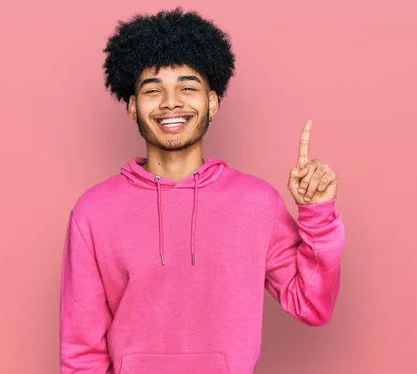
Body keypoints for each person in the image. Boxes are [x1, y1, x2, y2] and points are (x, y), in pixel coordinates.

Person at [60, 7, 345, 374]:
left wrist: (318, 215)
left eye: (187, 87)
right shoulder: (93, 212)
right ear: (132, 106)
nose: (170, 103)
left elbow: (312, 305)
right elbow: (81, 351)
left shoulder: (257, 203)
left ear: (212, 102)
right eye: (153, 90)